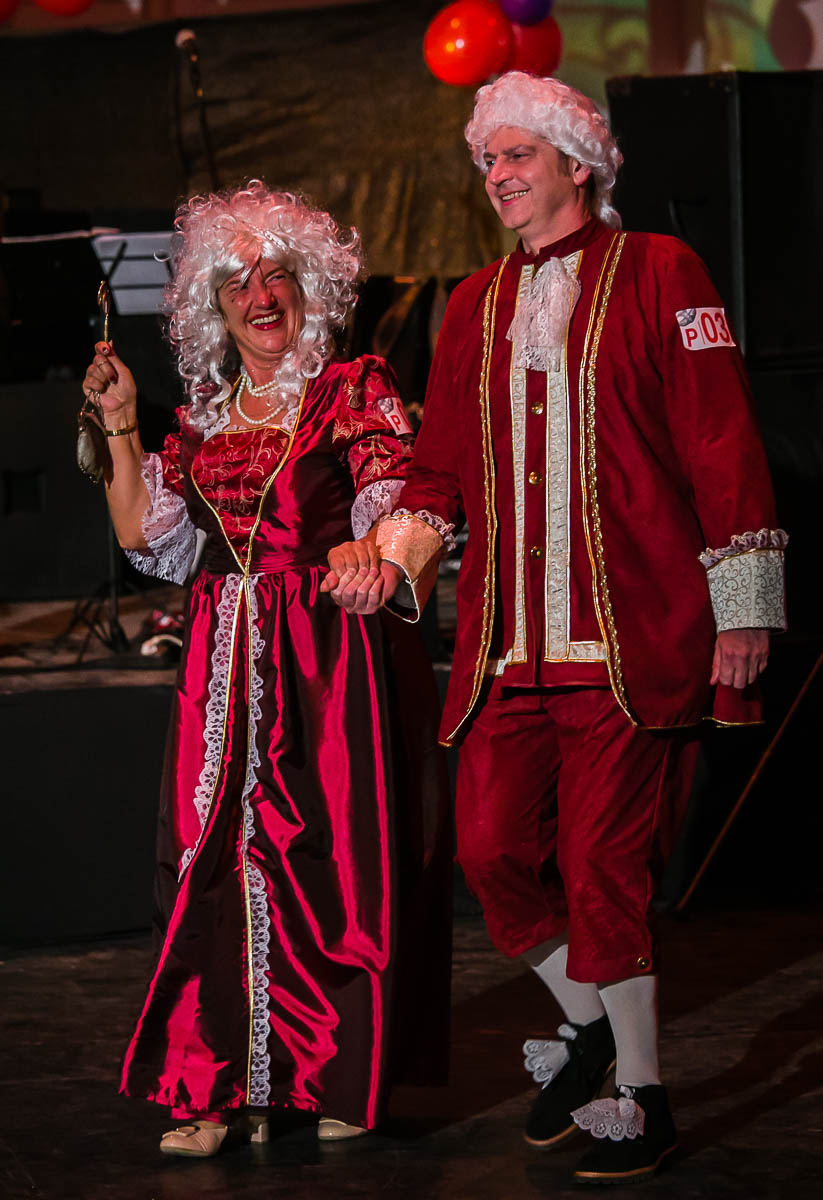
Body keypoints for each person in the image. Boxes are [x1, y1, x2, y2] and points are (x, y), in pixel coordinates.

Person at [328, 73, 787, 1184]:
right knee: (490, 854)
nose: (496, 176)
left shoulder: (662, 271)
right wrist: (390, 560)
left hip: (629, 642)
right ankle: (584, 1028)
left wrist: (742, 612)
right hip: (508, 651)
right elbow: (437, 472)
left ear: (578, 165)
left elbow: (720, 439)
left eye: (517, 155)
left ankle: (644, 1094)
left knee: (601, 870)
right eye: (486, 160)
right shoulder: (473, 303)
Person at [81, 181, 451, 1157]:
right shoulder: (200, 422)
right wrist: (119, 422)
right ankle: (207, 1081)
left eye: (276, 274)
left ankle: (331, 1071)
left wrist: (370, 551)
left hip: (324, 655)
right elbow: (147, 538)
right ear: (212, 303)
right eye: (237, 281)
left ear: (307, 286)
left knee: (326, 859)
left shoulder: (349, 389)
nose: (260, 296)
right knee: (207, 858)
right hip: (221, 656)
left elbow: (396, 498)